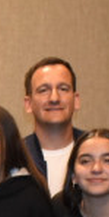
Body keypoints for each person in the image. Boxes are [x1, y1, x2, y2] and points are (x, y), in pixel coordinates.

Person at [22, 57, 85, 195]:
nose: (54, 98)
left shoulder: (99, 154)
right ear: (28, 104)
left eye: (63, 89)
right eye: (44, 90)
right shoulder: (14, 156)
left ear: (76, 100)